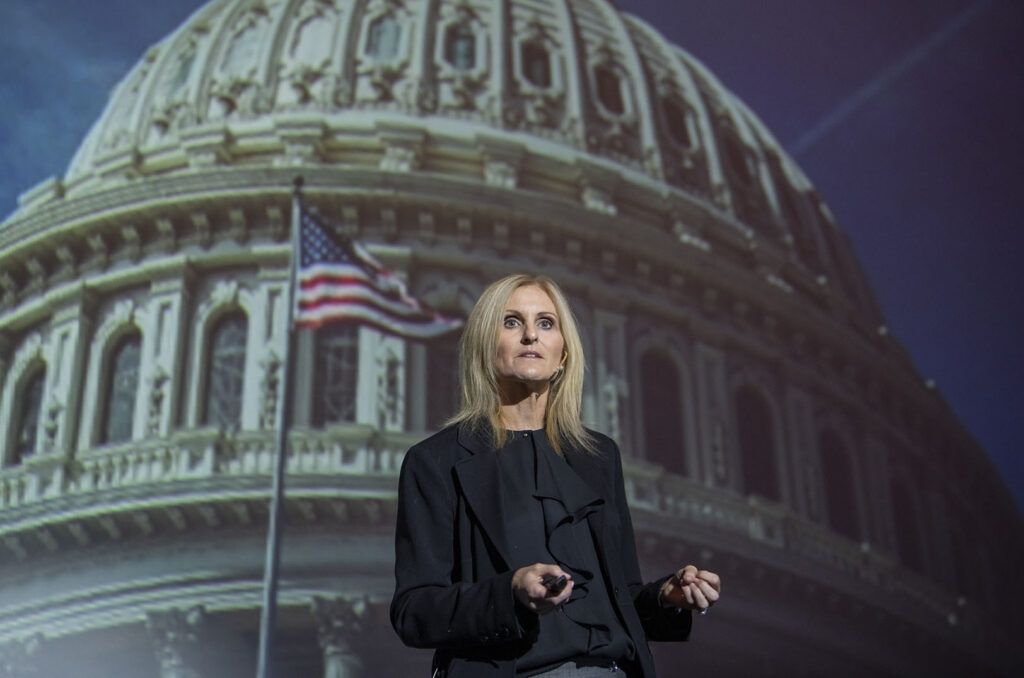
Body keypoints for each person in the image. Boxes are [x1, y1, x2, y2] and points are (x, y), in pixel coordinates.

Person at [390, 274, 721, 677]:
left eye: (546, 323)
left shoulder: (598, 457)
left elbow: (619, 599)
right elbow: (414, 611)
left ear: (563, 353)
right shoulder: (435, 461)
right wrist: (509, 592)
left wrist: (667, 596)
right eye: (511, 322)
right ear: (483, 344)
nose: (531, 335)